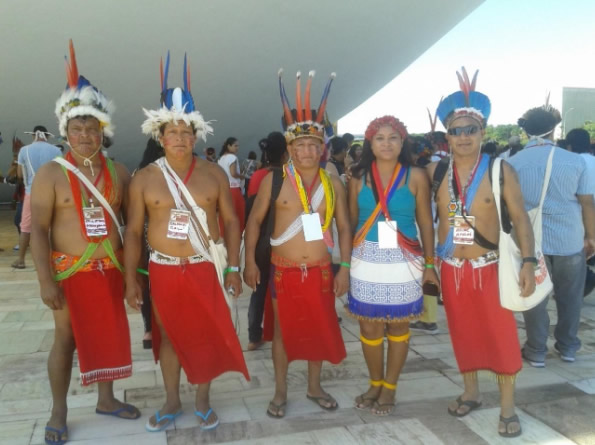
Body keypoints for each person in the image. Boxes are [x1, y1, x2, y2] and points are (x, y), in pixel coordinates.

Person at [125, 52, 248, 432]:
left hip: (204, 266)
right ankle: (172, 400)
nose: (179, 139)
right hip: (163, 269)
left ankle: (203, 400)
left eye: (185, 132)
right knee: (170, 336)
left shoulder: (212, 174)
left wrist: (233, 267)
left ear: (195, 135)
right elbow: (132, 231)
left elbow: (230, 220)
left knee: (205, 334)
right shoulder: (144, 177)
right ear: (160, 137)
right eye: (172, 133)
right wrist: (132, 278)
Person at [30, 41, 139, 445]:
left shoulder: (120, 171)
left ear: (102, 131)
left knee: (108, 332)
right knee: (67, 338)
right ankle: (59, 411)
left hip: (110, 269)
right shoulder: (50, 174)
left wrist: (133, 277)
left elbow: (131, 224)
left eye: (92, 128)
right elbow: (38, 230)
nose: (85, 135)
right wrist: (45, 280)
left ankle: (106, 400)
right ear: (66, 132)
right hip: (69, 270)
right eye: (77, 129)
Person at [430, 68, 536, 438]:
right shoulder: (437, 172)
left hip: (490, 269)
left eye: (470, 130)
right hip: (452, 270)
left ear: (482, 132)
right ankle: (471, 391)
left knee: (501, 336)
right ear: (447, 136)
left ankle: (508, 408)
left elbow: (521, 219)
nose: (463, 137)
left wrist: (529, 261)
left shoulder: (500, 169)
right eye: (456, 131)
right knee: (462, 334)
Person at [244, 69, 350, 419]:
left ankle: (315, 386)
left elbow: (345, 228)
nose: (307, 150)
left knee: (319, 330)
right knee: (283, 334)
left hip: (320, 271)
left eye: (314, 145)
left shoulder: (333, 183)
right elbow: (254, 223)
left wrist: (345, 269)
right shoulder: (275, 180)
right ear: (290, 148)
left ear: (323, 148)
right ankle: (280, 391)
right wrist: (249, 262)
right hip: (284, 272)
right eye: (300, 144)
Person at [347, 116, 438, 416]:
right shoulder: (358, 177)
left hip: (404, 261)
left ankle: (390, 387)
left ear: (403, 142)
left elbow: (426, 222)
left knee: (398, 326)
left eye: (393, 137)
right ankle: (375, 383)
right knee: (369, 325)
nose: (387, 143)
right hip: (365, 261)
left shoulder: (416, 175)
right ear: (370, 143)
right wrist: (344, 264)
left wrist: (429, 264)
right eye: (380, 138)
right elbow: (348, 223)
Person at [509, 107, 595, 366]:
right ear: (553, 129)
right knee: (571, 296)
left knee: (534, 297)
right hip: (570, 239)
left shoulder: (512, 163)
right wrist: (591, 236)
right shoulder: (575, 161)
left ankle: (536, 350)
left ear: (527, 130)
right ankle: (568, 347)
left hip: (529, 243)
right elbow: (587, 203)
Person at [246, 131, 288, 351]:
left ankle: (254, 334)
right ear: (285, 154)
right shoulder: (286, 177)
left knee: (259, 289)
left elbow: (250, 214)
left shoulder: (257, 176)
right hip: (279, 241)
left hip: (260, 241)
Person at [13, 125, 62, 268]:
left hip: (31, 193)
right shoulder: (56, 150)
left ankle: (21, 260)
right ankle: (55, 261)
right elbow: (63, 172)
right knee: (53, 227)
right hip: (52, 193)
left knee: (26, 228)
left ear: (33, 135)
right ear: (46, 136)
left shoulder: (24, 150)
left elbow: (20, 175)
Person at [218, 137, 245, 231]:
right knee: (238, 213)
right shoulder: (232, 157)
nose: (237, 148)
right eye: (235, 146)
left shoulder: (221, 159)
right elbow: (233, 173)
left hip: (224, 189)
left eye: (238, 146)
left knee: (225, 214)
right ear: (228, 146)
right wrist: (242, 176)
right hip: (233, 189)